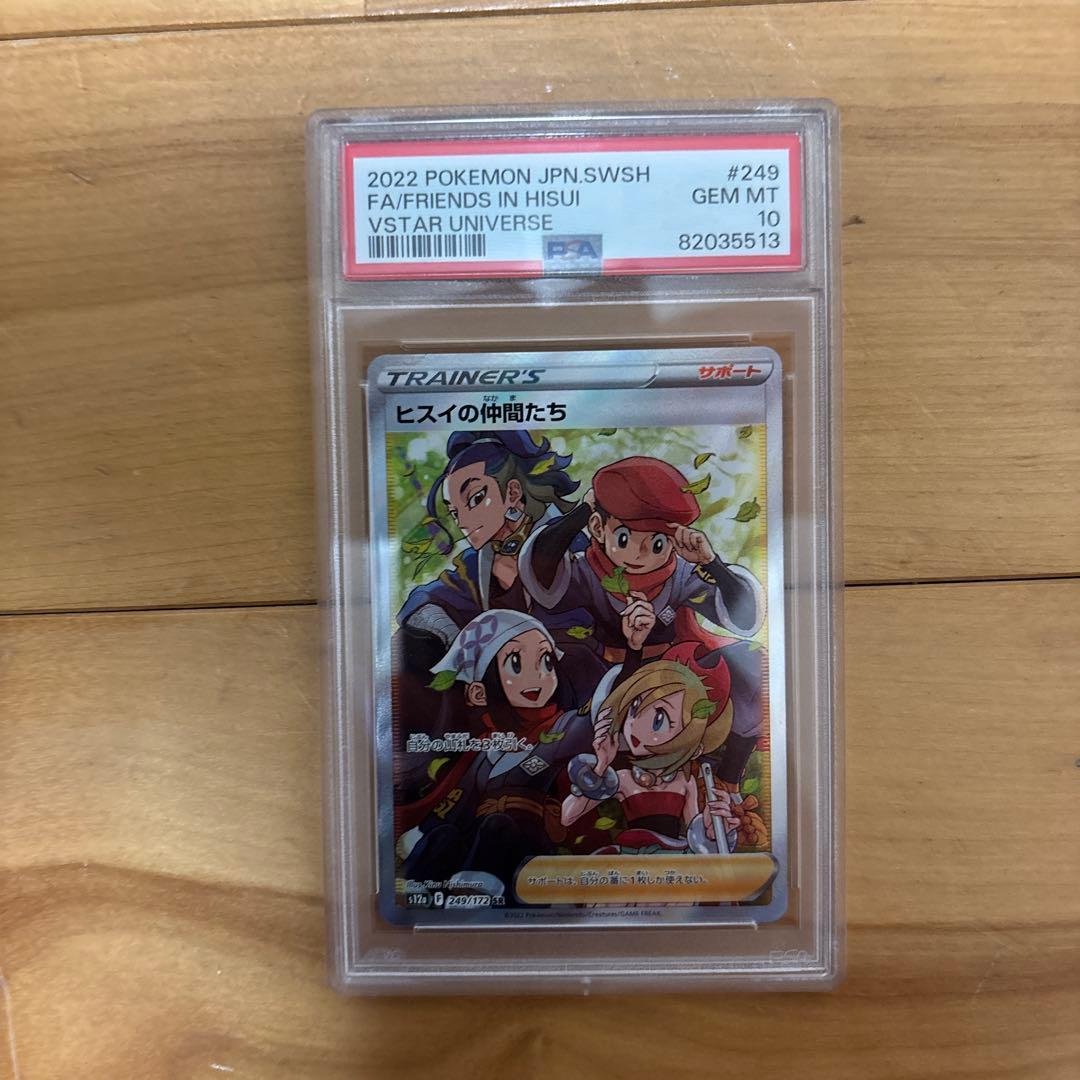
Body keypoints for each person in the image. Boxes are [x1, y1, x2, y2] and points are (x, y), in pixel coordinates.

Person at [519, 454, 766, 787]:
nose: (639, 554)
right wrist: (582, 512)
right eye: (624, 538)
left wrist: (712, 563)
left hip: (673, 678)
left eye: (657, 543)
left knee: (750, 662)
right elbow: (539, 568)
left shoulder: (680, 574)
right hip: (607, 677)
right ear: (598, 529)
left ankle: (727, 780)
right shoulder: (586, 570)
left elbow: (744, 615)